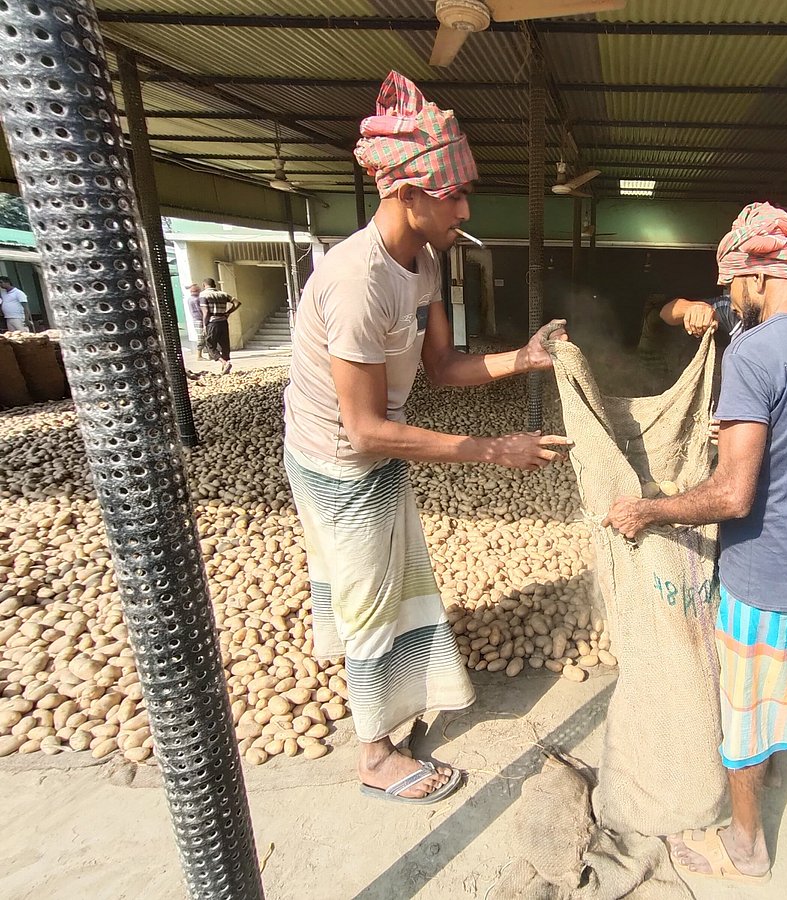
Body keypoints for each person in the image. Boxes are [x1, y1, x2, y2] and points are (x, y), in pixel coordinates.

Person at [283, 71, 571, 806]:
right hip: (338, 460)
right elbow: (367, 428)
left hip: (373, 451)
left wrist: (523, 357)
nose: (465, 209)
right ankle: (374, 754)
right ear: (405, 194)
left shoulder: (427, 262)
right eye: (453, 195)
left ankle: (388, 694)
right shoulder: (358, 282)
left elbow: (441, 366)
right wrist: (490, 450)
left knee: (389, 580)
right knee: (370, 592)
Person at [603, 201, 787, 883]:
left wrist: (651, 509)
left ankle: (747, 841)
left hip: (770, 574)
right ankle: (769, 773)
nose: (727, 297)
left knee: (745, 713)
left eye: (730, 285)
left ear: (757, 271)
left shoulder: (755, 354)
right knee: (784, 691)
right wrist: (687, 310)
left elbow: (731, 496)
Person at [199, 277, 240, 374]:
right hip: (223, 322)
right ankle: (225, 369)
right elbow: (237, 303)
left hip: (212, 323)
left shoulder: (204, 295)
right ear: (214, 285)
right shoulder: (223, 294)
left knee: (210, 345)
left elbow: (206, 312)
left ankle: (224, 362)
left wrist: (205, 325)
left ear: (204, 285)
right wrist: (228, 312)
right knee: (225, 345)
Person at [183, 283, 207, 361]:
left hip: (196, 319)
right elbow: (201, 311)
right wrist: (205, 320)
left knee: (201, 336)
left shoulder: (190, 299)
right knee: (201, 337)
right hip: (199, 319)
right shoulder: (196, 299)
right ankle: (199, 356)